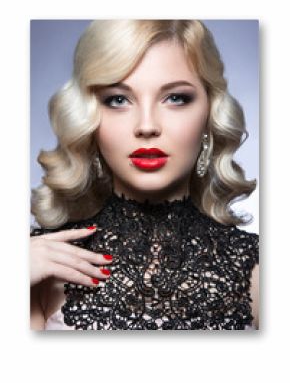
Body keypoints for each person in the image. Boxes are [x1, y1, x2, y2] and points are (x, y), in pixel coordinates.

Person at [30, 19, 259, 331]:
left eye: (176, 98)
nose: (147, 125)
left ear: (209, 115)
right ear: (88, 119)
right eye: (118, 99)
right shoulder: (38, 264)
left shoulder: (259, 270)